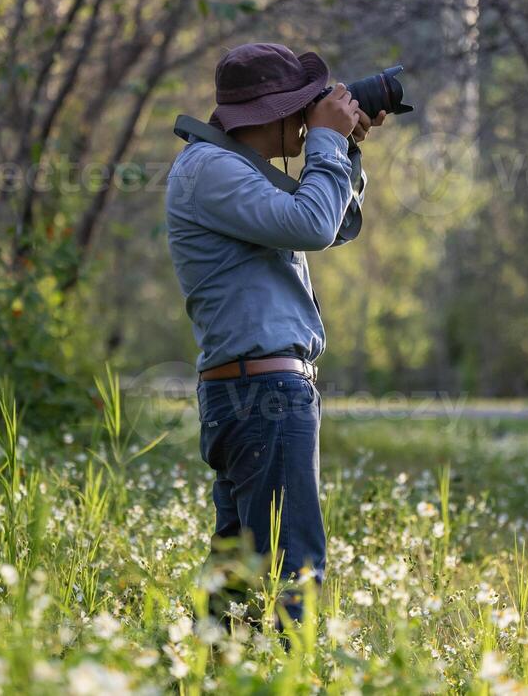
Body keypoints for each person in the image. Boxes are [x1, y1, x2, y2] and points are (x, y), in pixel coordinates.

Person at [164, 42, 385, 627]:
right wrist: (328, 142)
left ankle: (218, 681)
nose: (312, 115)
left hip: (254, 391)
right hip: (261, 394)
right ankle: (287, 678)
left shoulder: (229, 171)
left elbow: (331, 225)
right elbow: (312, 224)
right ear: (275, 111)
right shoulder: (211, 168)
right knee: (291, 573)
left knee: (238, 580)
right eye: (305, 106)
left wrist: (346, 148)